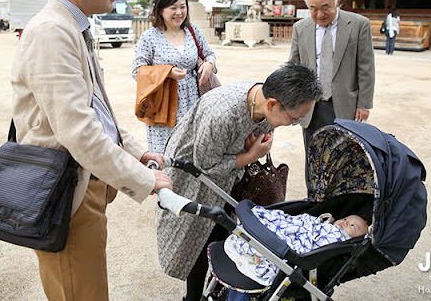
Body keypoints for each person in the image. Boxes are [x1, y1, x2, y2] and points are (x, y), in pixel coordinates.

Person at [11, 0, 172, 300]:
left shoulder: (72, 25)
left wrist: (135, 150)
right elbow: (78, 130)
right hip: (64, 185)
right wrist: (143, 179)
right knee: (79, 290)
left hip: (82, 180)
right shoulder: (52, 31)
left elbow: (96, 109)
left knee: (89, 284)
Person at [156, 63, 322, 301]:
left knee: (222, 235)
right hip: (193, 179)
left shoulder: (261, 100)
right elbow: (206, 164)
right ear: (273, 104)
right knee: (196, 242)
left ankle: (220, 293)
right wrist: (251, 156)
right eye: (294, 119)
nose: (293, 124)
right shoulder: (223, 114)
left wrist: (252, 145)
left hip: (223, 179)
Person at [288, 0, 375, 160]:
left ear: (336, 2)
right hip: (311, 104)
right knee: (314, 157)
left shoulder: (359, 25)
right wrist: (291, 101)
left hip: (345, 104)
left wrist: (364, 104)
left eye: (325, 7)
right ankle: (313, 189)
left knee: (344, 157)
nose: (319, 14)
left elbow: (366, 66)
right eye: (313, 8)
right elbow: (293, 67)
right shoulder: (300, 28)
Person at [132, 0, 217, 153]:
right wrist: (167, 73)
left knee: (193, 151)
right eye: (173, 8)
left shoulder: (193, 31)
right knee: (167, 153)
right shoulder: (150, 37)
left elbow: (209, 54)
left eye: (182, 7)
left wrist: (209, 64)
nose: (179, 12)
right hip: (164, 105)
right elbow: (137, 71)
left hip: (194, 102)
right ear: (160, 10)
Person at [224, 206, 369, 286]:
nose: (344, 223)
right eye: (345, 219)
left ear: (353, 239)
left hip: (291, 251)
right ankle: (250, 247)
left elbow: (312, 245)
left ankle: (255, 262)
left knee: (273, 247)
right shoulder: (323, 224)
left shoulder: (337, 240)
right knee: (278, 222)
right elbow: (298, 223)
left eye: (352, 226)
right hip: (298, 232)